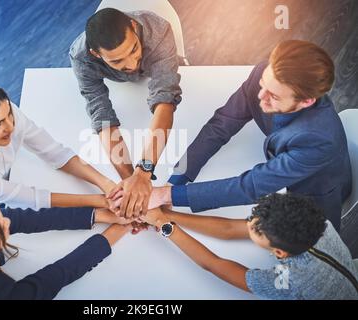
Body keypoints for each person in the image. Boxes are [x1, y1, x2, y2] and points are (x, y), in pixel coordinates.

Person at [149, 40, 351, 231]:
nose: (261, 97)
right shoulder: (264, 74)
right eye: (264, 84)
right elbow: (221, 125)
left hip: (312, 200)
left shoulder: (320, 140)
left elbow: (250, 187)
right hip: (281, 167)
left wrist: (167, 195)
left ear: (306, 101)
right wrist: (175, 180)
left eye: (274, 96)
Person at [0, 79, 118, 211]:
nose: (10, 126)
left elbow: (55, 152)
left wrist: (108, 185)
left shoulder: (9, 115)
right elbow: (28, 198)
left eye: (8, 113)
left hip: (4, 179)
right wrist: (100, 201)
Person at [70, 8, 182, 217]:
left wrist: (144, 172)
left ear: (133, 26)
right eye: (116, 61)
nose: (131, 64)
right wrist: (132, 183)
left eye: (133, 50)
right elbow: (102, 117)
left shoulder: (159, 31)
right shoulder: (80, 58)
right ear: (96, 54)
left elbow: (165, 101)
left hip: (160, 70)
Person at [141, 193, 358, 300]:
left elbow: (214, 264)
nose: (247, 226)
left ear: (279, 253)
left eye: (254, 231)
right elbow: (228, 229)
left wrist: (165, 226)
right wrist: (165, 214)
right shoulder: (321, 226)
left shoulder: (286, 281)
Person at [0, 195, 133, 300]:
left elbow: (31, 218)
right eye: (1, 227)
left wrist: (97, 215)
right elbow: (49, 281)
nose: (8, 222)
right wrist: (112, 235)